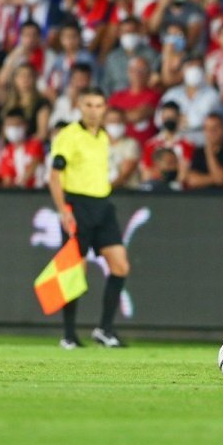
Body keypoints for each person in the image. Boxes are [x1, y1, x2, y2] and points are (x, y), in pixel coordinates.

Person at [48, 86, 130, 349]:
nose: (94, 111)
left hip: (102, 205)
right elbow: (55, 176)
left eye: (98, 105)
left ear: (104, 108)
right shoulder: (68, 136)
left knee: (120, 266)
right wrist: (63, 210)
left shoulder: (103, 137)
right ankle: (69, 335)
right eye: (89, 105)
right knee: (75, 273)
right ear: (79, 107)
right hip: (78, 206)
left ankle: (104, 330)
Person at [186, 113, 223, 190]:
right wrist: (215, 178)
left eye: (215, 128)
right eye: (208, 129)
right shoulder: (198, 152)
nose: (211, 132)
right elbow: (192, 180)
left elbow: (222, 180)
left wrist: (209, 152)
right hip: (200, 197)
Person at [0, 108, 44, 189]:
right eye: (10, 125)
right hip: (18, 195)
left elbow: (33, 165)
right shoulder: (6, 151)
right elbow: (7, 180)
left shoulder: (35, 144)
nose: (13, 129)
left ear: (25, 126)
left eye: (17, 125)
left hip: (37, 192)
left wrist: (18, 185)